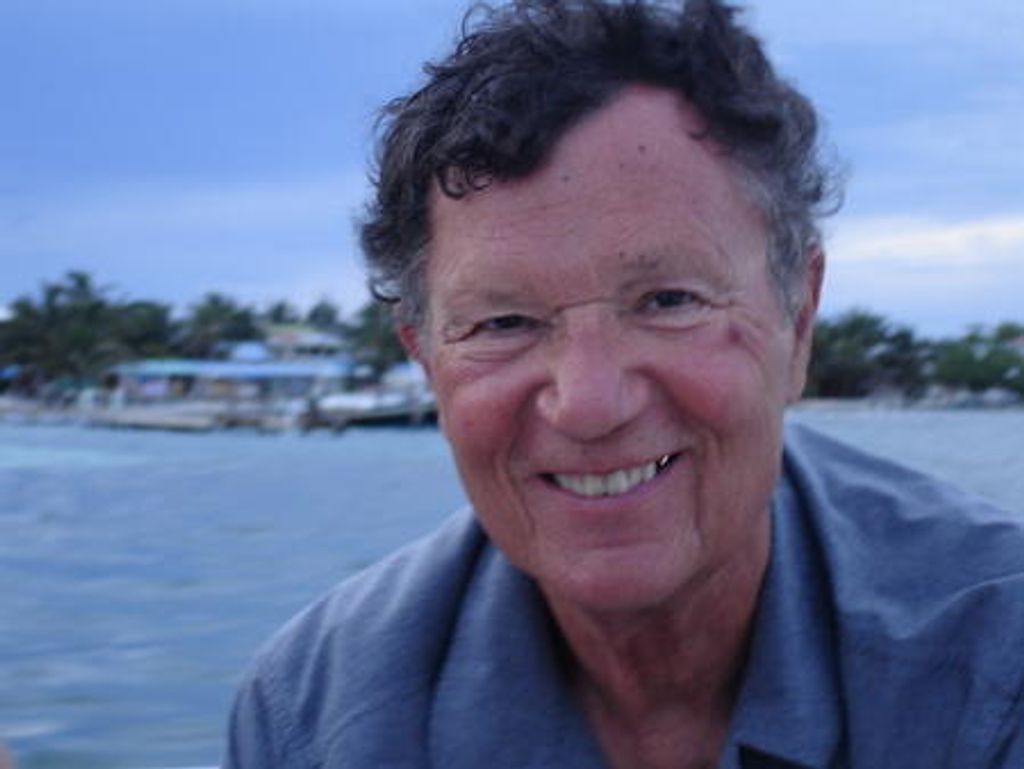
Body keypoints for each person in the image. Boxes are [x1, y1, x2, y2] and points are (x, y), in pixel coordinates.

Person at [223, 1, 1024, 767]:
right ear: (427, 360)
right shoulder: (314, 716)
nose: (589, 402)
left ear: (799, 318)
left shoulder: (996, 664)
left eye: (669, 301)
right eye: (504, 322)